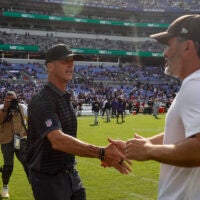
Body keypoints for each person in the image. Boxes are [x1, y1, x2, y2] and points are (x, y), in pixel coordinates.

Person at [109, 14, 200, 200]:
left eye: (169, 45)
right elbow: (184, 135)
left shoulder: (194, 84)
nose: (165, 53)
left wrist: (149, 151)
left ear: (187, 46)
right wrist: (140, 145)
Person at [27, 44, 132, 200]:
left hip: (71, 176)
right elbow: (58, 141)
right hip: (48, 179)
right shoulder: (42, 100)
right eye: (64, 61)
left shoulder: (64, 97)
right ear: (49, 66)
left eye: (72, 61)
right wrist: (102, 153)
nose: (70, 65)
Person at [0, 91, 28, 198]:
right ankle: (5, 188)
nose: (10, 102)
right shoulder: (2, 108)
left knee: (27, 163)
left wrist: (26, 133)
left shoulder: (22, 108)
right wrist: (5, 109)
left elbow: (32, 121)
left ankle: (35, 185)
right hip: (6, 141)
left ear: (17, 99)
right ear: (5, 99)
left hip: (18, 139)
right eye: (8, 100)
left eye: (13, 100)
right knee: (8, 166)